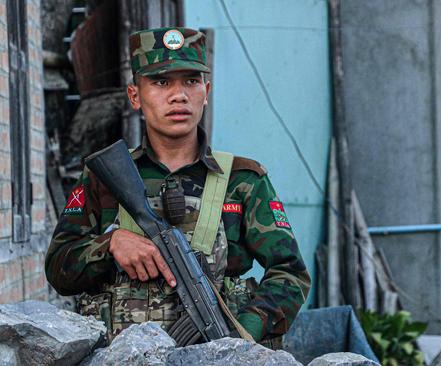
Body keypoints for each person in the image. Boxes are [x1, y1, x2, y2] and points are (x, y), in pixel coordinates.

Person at [44, 27, 310, 347]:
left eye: (191, 81)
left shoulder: (244, 181)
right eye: (161, 82)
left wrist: (242, 334)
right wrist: (110, 244)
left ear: (206, 91)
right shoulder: (104, 178)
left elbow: (291, 273)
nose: (179, 95)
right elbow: (59, 269)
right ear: (134, 96)